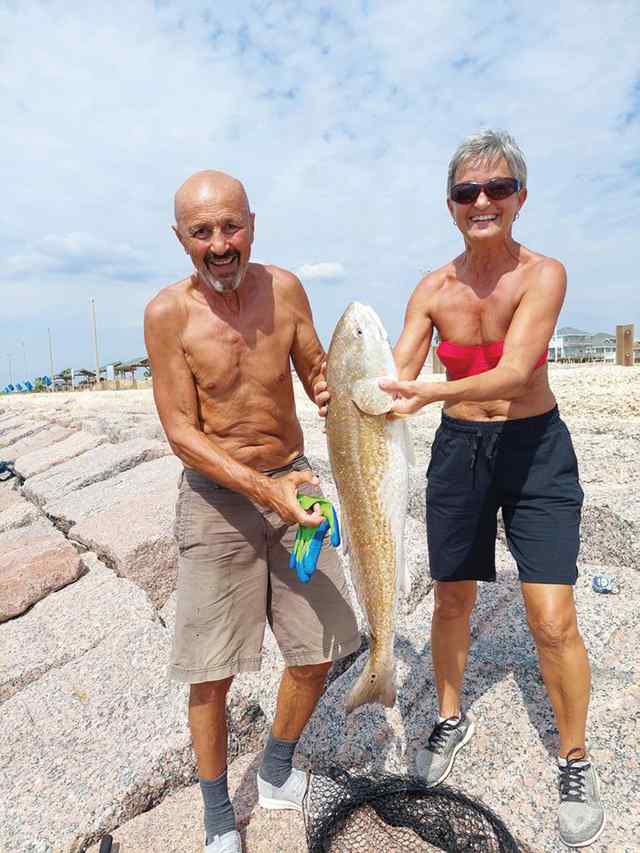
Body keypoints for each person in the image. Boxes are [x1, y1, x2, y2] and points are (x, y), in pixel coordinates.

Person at [375, 130, 604, 848]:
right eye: (468, 192)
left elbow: (513, 370)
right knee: (452, 594)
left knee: (552, 616)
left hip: (535, 449)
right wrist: (354, 389)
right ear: (451, 205)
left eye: (498, 189)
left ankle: (574, 756)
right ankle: (450, 715)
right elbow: (394, 376)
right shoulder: (431, 289)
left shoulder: (543, 274)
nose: (483, 201)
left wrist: (425, 390)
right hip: (459, 452)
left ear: (519, 198)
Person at [144, 170, 360, 853]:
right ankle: (215, 817)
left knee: (324, 645)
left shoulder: (287, 289)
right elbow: (182, 431)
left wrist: (350, 392)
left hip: (295, 487)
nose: (219, 244)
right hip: (217, 501)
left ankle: (274, 769)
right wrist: (261, 491)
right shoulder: (166, 314)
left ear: (253, 224)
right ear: (180, 238)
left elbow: (318, 372)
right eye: (202, 232)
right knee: (211, 670)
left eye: (230, 226)